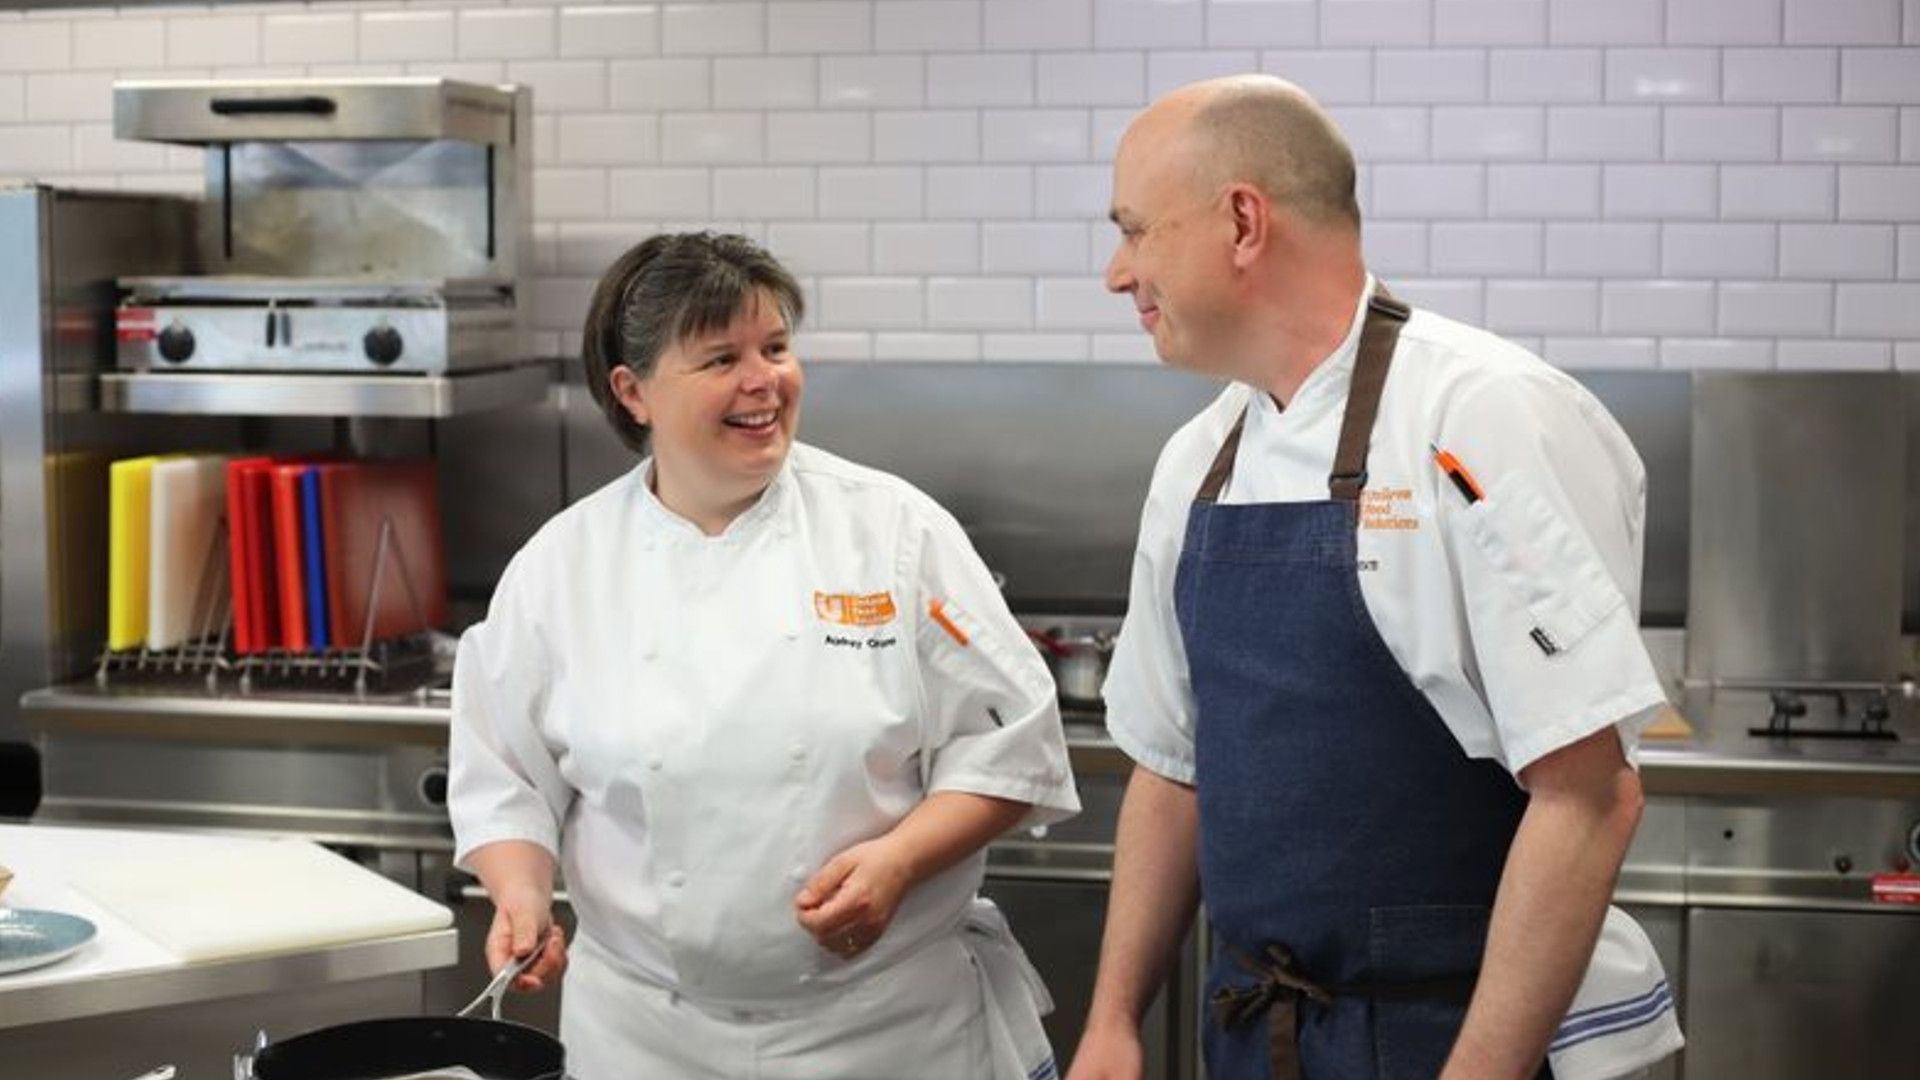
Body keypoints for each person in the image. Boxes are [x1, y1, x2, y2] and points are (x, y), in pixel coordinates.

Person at [1067, 76, 1684, 1080]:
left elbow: (1588, 799)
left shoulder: (1480, 420)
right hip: (1258, 1037)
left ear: (1242, 222)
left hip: (1462, 1038)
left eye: (1135, 230)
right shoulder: (1198, 461)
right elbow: (1173, 767)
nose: (1116, 272)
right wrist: (1112, 1021)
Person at [449, 231, 1080, 1080]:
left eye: (775, 348)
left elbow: (1014, 748)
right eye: (721, 358)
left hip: (886, 1034)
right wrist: (522, 893)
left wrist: (900, 861)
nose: (764, 381)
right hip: (646, 1041)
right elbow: (505, 778)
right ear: (633, 392)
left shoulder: (894, 532)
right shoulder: (561, 568)